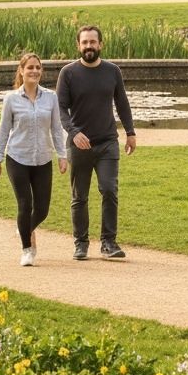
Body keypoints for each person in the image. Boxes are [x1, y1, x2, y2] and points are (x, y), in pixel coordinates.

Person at [56, 25, 136, 261]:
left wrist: (130, 132)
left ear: (100, 44)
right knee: (79, 196)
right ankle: (80, 244)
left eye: (93, 42)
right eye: (85, 42)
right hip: (79, 144)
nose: (89, 46)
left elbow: (122, 103)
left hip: (107, 142)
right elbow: (60, 109)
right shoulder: (68, 73)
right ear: (78, 45)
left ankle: (108, 243)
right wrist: (74, 132)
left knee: (109, 189)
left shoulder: (112, 71)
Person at [0, 53, 68, 267]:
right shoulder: (11, 99)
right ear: (21, 71)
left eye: (37, 67)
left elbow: (56, 128)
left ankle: (24, 227)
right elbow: (4, 130)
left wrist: (62, 155)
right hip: (17, 158)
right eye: (30, 68)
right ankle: (27, 250)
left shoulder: (51, 97)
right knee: (25, 204)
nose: (34, 71)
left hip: (43, 159)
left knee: (42, 209)